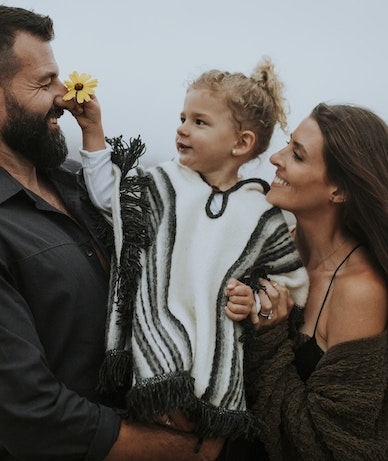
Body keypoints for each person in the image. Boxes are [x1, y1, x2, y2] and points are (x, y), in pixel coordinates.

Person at [0, 5, 223, 460]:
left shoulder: (79, 179)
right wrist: (186, 451)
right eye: (44, 83)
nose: (65, 95)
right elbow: (32, 413)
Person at [65, 58, 309, 440]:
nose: (182, 128)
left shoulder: (260, 212)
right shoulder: (162, 183)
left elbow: (286, 285)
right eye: (182, 117)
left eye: (199, 122)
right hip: (155, 352)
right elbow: (109, 199)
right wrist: (93, 131)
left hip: (221, 352)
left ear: (241, 143)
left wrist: (254, 301)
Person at [225, 103, 388, 459]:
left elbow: (330, 447)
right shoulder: (269, 252)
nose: (276, 157)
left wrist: (271, 337)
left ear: (339, 190)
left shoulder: (359, 290)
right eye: (288, 144)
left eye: (298, 155)